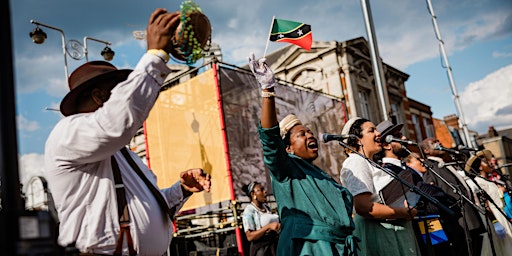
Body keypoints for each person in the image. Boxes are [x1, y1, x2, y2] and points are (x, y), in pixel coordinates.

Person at [44, 8, 211, 255]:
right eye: (120, 90)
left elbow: (146, 207)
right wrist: (155, 55)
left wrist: (181, 190)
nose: (128, 94)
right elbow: (117, 122)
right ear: (99, 96)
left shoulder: (123, 153)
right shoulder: (67, 134)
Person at [248, 53, 359, 255]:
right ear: (288, 147)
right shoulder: (287, 167)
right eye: (301, 134)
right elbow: (270, 140)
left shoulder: (322, 176)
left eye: (309, 131)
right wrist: (267, 90)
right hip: (309, 249)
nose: (310, 135)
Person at [340, 117, 419, 256]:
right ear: (358, 140)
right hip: (377, 233)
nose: (378, 133)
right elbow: (363, 207)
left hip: (388, 230)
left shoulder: (369, 162)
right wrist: (403, 212)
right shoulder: (356, 161)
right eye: (372, 130)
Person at [420, 138, 484, 256]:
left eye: (439, 140)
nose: (439, 143)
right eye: (434, 142)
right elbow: (433, 192)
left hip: (470, 216)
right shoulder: (429, 167)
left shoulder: (445, 163)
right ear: (427, 150)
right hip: (458, 221)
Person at [465, 154, 512, 255]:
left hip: (502, 214)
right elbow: (484, 204)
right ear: (480, 167)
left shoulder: (488, 181)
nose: (491, 163)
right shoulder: (477, 183)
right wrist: (495, 222)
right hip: (495, 217)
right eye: (486, 162)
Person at [241, 182, 280, 256]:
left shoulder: (266, 207)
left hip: (273, 247)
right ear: (253, 194)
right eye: (261, 190)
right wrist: (268, 227)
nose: (265, 191)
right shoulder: (249, 211)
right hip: (261, 250)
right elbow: (250, 236)